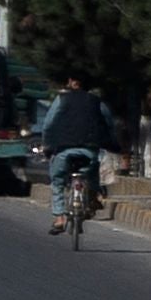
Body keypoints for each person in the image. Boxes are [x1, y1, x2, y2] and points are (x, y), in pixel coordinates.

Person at [34, 75, 117, 221]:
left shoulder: (61, 100)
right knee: (93, 172)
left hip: (63, 152)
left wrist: (47, 145)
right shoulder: (97, 102)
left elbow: (47, 125)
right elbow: (109, 124)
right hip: (89, 151)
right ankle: (93, 197)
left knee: (58, 181)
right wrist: (112, 143)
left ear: (70, 82)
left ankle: (59, 217)